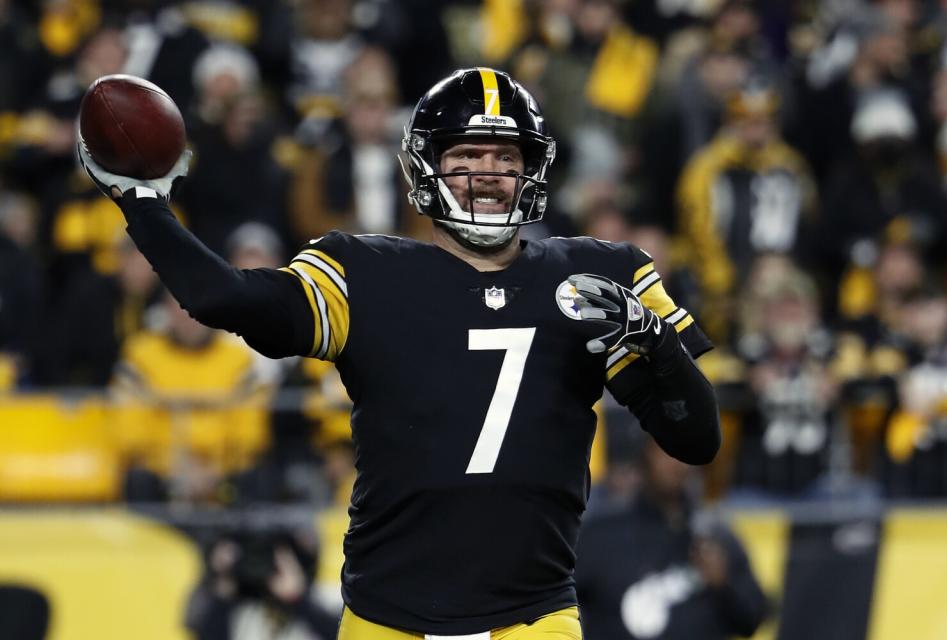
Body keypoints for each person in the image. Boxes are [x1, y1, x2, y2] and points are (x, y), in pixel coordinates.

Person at [77, 67, 721, 639]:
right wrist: (142, 204)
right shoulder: (365, 273)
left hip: (535, 617)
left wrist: (656, 343)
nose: (489, 175)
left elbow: (696, 441)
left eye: (506, 156)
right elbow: (225, 299)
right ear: (427, 168)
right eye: (468, 155)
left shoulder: (598, 276)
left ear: (532, 168)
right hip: (387, 618)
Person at [576, 436, 767, 640]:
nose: (676, 463)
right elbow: (555, 601)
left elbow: (752, 620)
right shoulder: (602, 533)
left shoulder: (716, 534)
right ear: (645, 455)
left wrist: (724, 586)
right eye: (666, 451)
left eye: (684, 452)